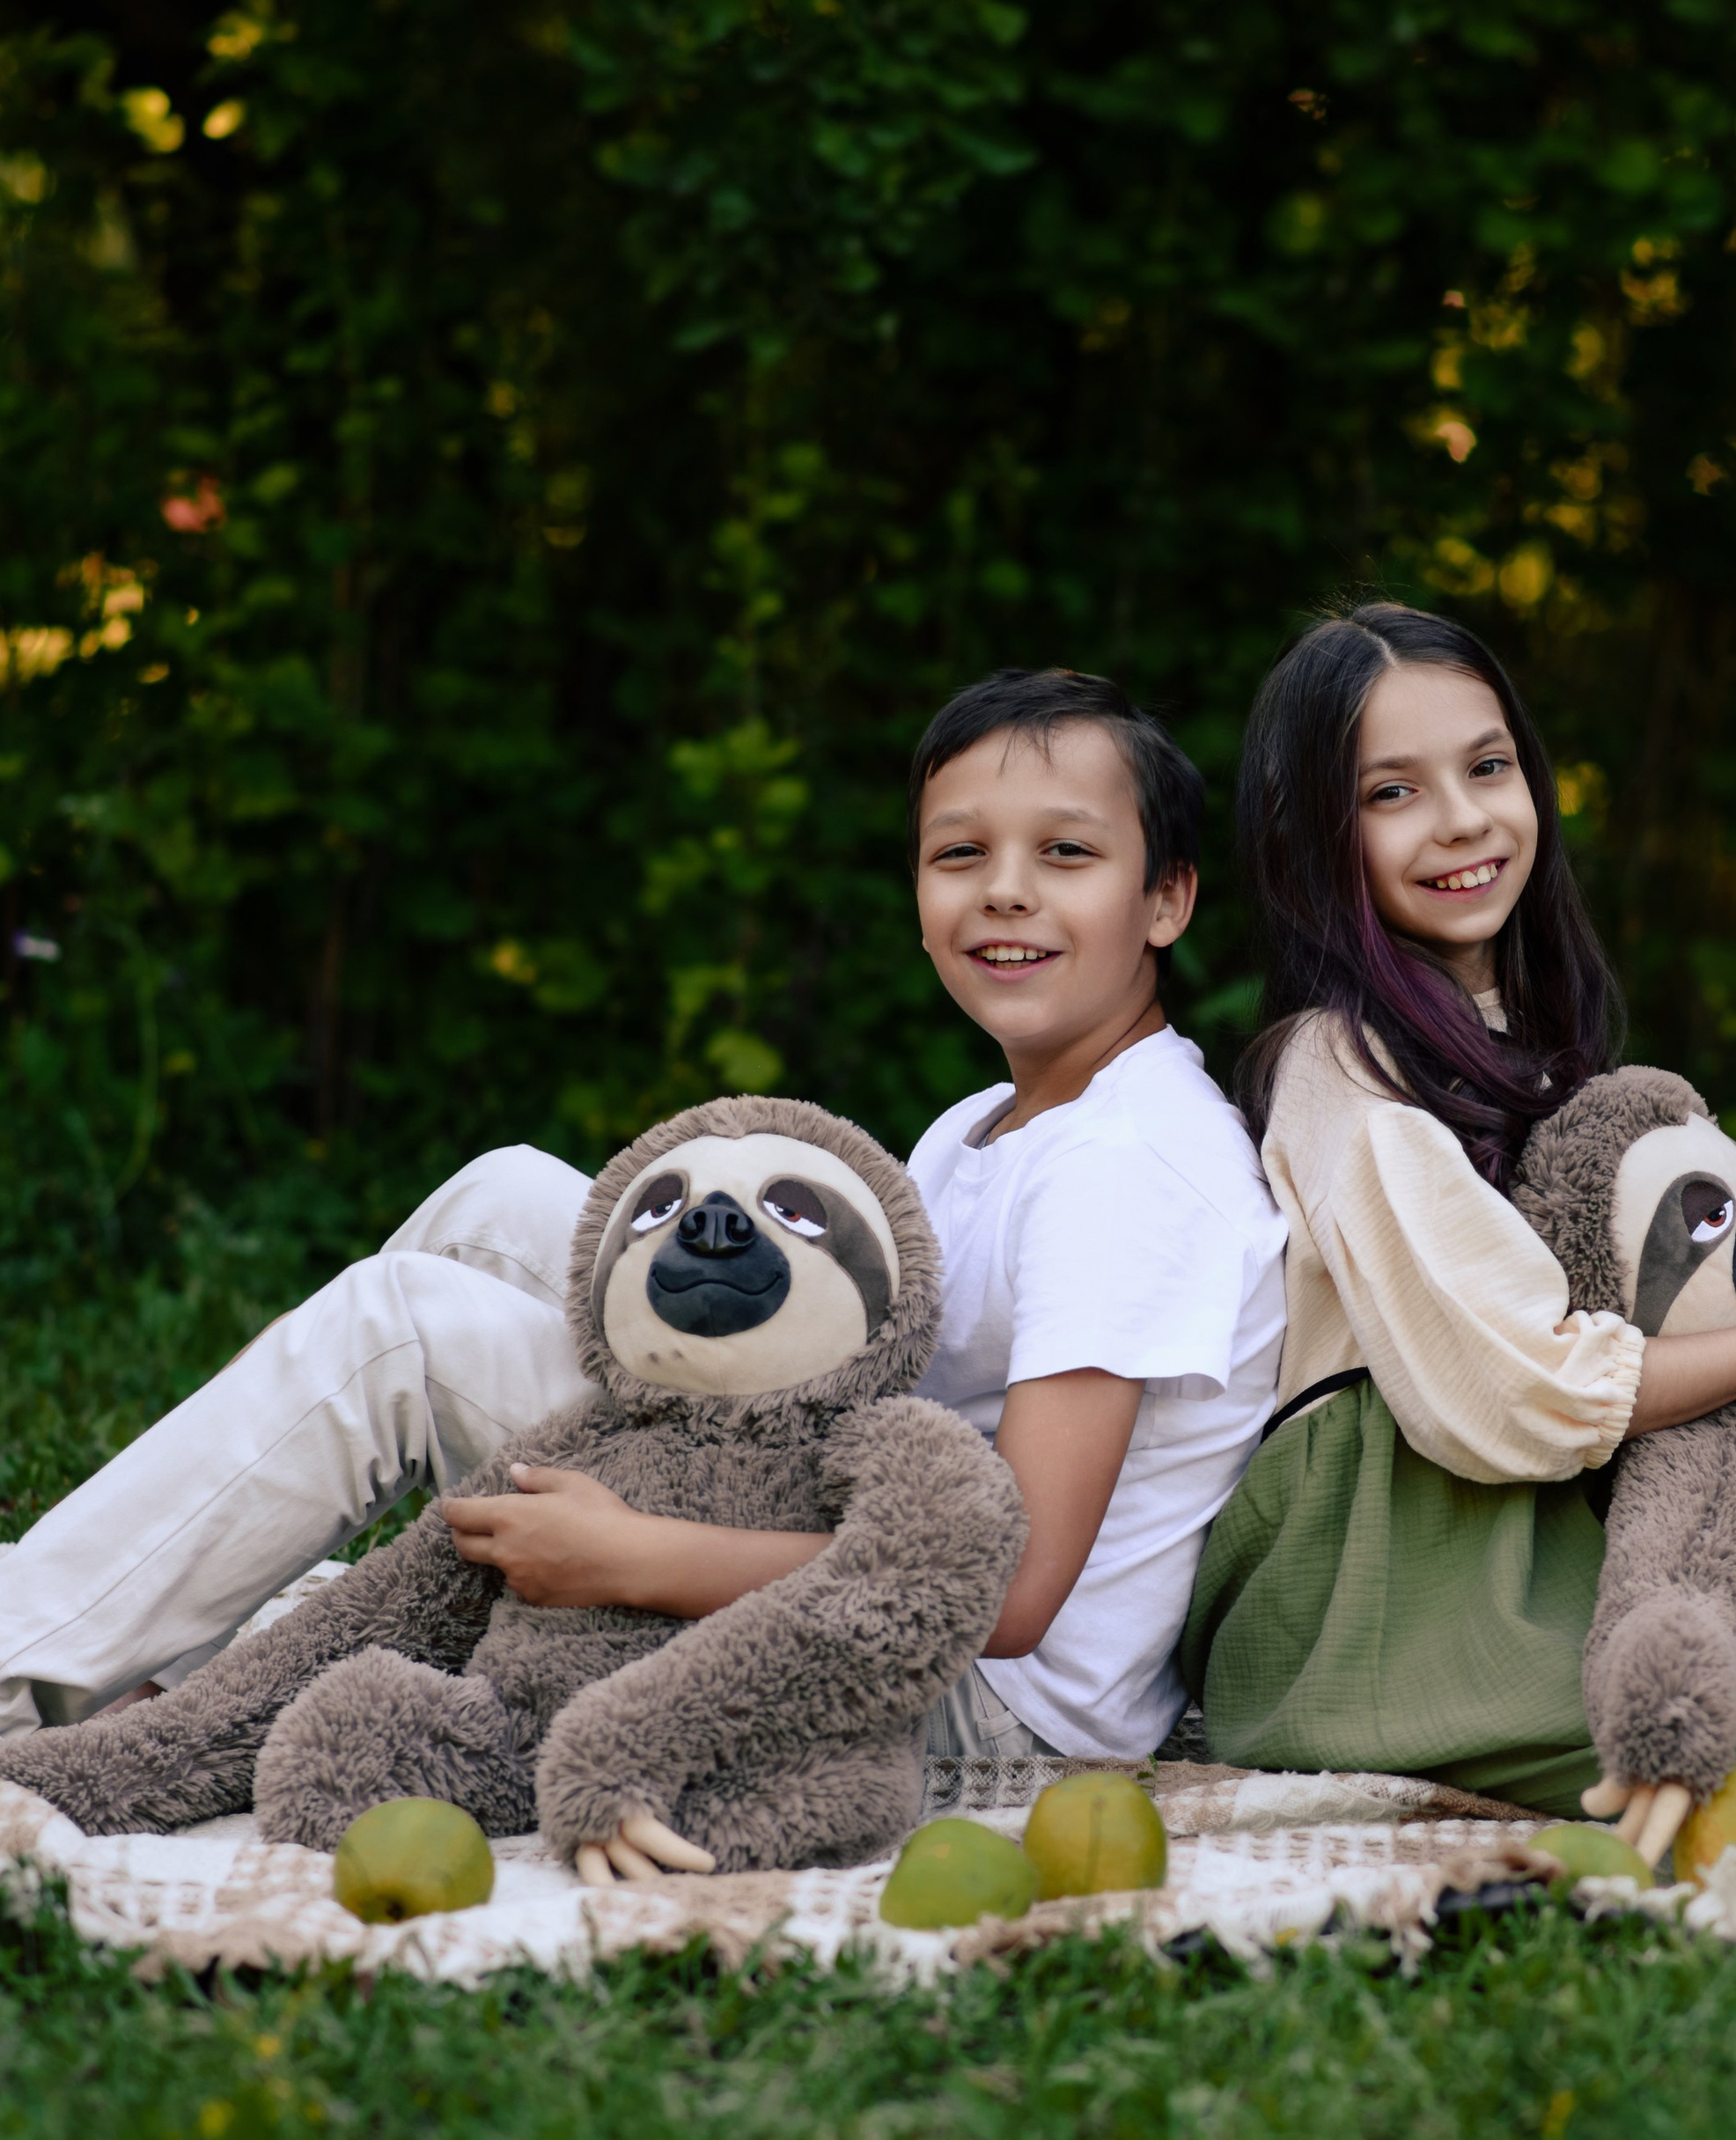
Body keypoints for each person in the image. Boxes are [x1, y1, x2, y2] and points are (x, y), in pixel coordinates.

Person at [0, 670, 1286, 1868]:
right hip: (842, 1524)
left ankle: (24, 1669)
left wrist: (628, 1556)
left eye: (1066, 854)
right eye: (962, 853)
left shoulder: (1131, 1167)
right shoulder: (987, 1126)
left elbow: (1000, 1593)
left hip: (964, 1695)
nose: (1006, 891)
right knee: (509, 1196)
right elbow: (847, 1355)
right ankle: (215, 1660)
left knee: (410, 1331)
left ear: (1164, 899)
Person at [1179, 604, 1736, 1864]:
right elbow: (1514, 1392)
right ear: (1315, 838)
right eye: (1393, 793)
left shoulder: (1520, 1028)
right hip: (1390, 1575)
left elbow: (1626, 1310)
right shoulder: (1338, 1071)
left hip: (1548, 1521)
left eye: (1488, 767)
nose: (1463, 820)